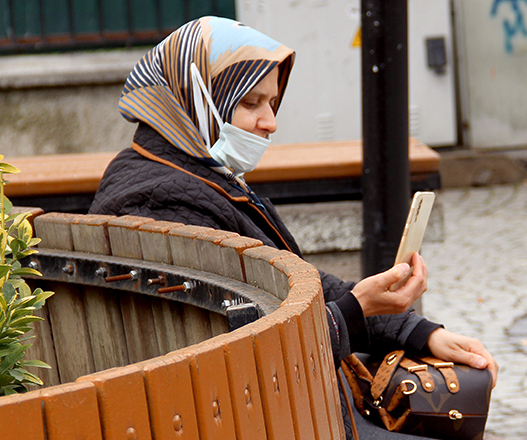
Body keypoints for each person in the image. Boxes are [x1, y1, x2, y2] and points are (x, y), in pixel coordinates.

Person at [89, 16, 497, 439]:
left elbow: (296, 285)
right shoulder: (164, 200)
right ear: (194, 98)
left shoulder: (188, 173)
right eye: (250, 103)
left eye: (272, 103)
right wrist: (359, 309)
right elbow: (251, 345)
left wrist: (416, 330)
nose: (270, 122)